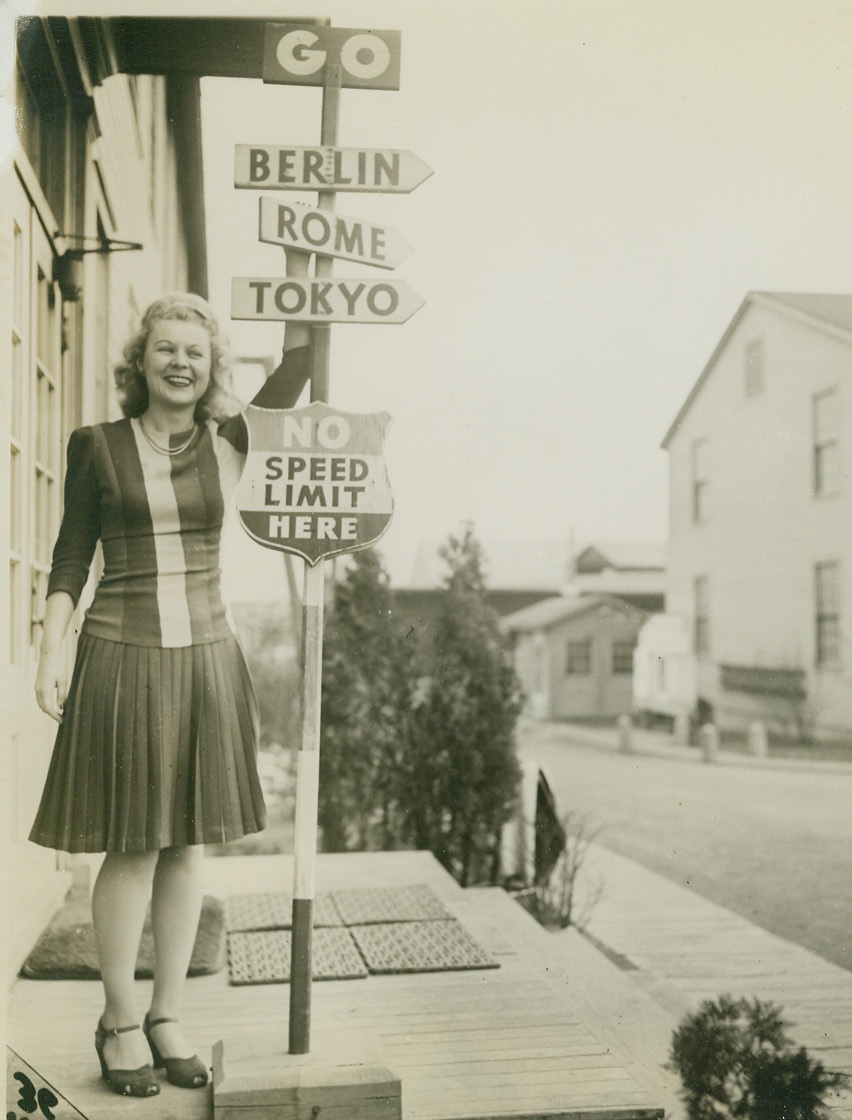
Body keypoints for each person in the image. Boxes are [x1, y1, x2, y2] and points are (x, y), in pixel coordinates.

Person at [30, 253, 312, 1098]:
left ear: (212, 366)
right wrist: (51, 651)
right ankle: (119, 1020)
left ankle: (166, 1013)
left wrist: (303, 268)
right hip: (120, 653)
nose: (180, 362)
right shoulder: (97, 447)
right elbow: (70, 556)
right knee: (133, 842)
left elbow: (298, 367)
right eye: (166, 348)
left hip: (207, 656)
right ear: (141, 360)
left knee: (187, 841)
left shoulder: (230, 442)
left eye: (196, 351)